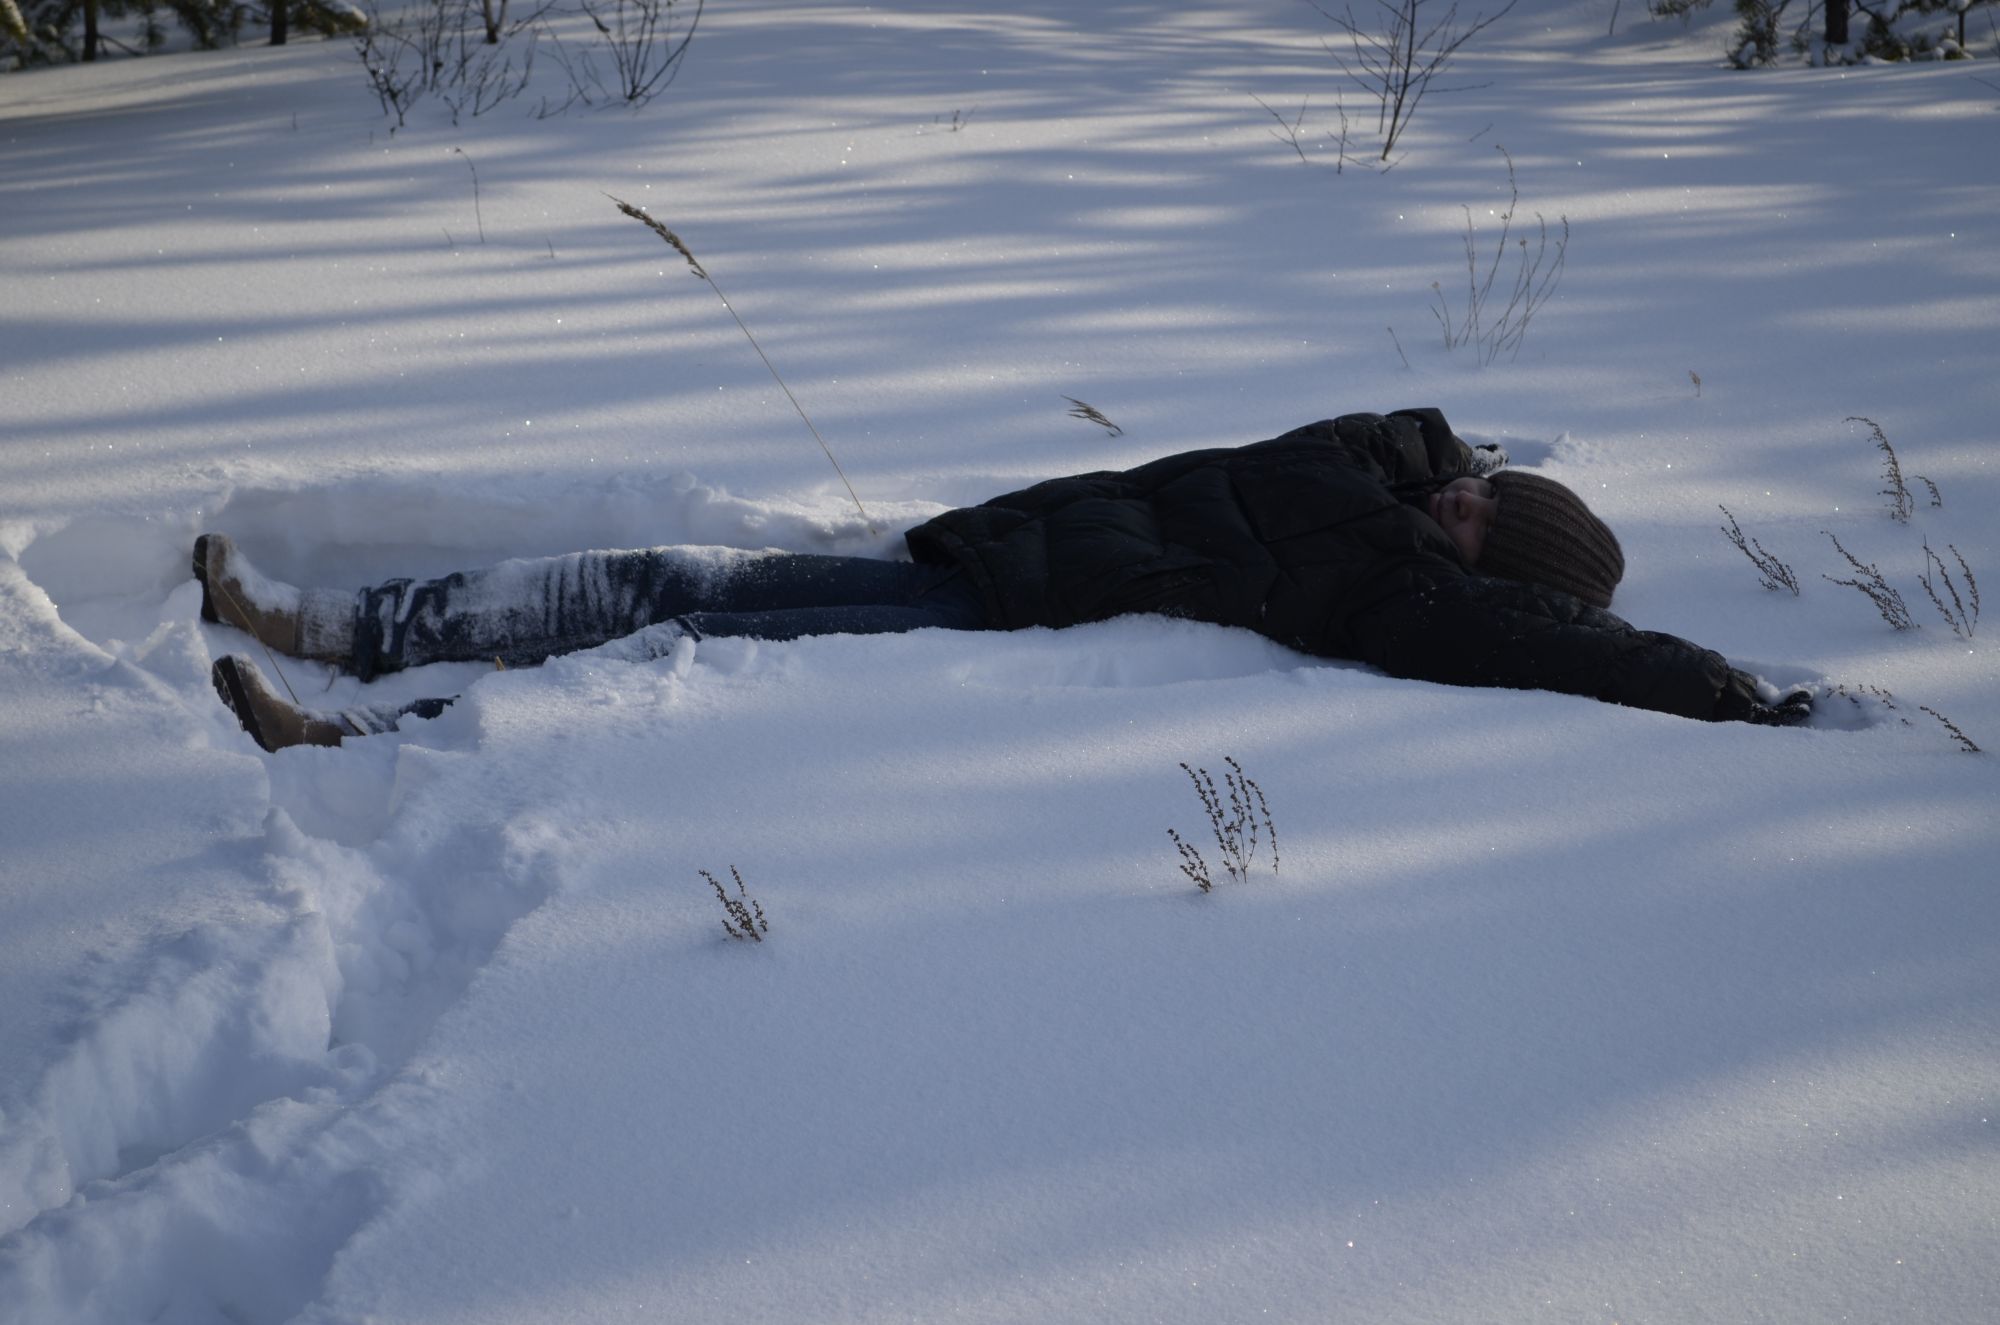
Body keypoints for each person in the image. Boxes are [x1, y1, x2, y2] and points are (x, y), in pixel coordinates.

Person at [199, 408, 1812, 752]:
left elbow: (1554, 648)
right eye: (1478, 489)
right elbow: (1389, 433)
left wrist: (1718, 686)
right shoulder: (1363, 472)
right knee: (659, 571)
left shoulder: (1399, 594)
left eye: (1482, 519)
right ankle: (331, 623)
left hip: (994, 608)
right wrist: (1448, 462)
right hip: (977, 540)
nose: (1461, 499)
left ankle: (357, 732)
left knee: (678, 632)